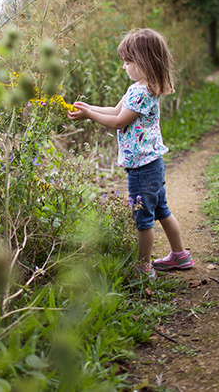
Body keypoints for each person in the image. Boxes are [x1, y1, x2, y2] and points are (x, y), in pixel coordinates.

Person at [67, 28, 194, 279]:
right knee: (161, 210)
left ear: (143, 62)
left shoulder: (140, 91)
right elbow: (116, 111)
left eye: (127, 62)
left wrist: (89, 116)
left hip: (142, 168)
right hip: (152, 163)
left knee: (143, 219)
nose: (124, 67)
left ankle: (143, 267)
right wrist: (89, 107)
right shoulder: (144, 88)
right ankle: (180, 255)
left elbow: (118, 122)